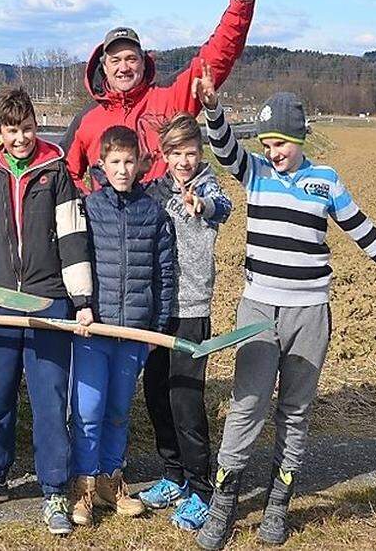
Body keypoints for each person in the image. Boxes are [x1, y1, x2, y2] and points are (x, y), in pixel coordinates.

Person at [193, 68, 376, 549]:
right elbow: (225, 146)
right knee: (246, 405)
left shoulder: (325, 181)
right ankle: (223, 507)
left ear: (299, 138)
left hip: (310, 313)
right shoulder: (255, 172)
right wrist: (212, 109)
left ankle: (277, 504)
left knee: (294, 410)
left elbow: (366, 234)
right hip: (258, 308)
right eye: (267, 143)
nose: (274, 152)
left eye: (282, 144)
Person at [0, 88, 93, 537]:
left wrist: (82, 301)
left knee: (49, 398)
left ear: (37, 124)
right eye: (12, 130)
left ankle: (54, 489)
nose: (20, 138)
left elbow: (72, 240)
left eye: (27, 128)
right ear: (0, 130)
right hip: (3, 300)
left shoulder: (55, 172)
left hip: (48, 297)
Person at [62, 0, 257, 189]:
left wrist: (241, 3)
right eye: (115, 61)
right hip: (107, 223)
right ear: (104, 67)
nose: (123, 67)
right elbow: (64, 171)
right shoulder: (87, 119)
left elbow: (216, 57)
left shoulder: (170, 97)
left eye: (131, 59)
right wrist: (89, 206)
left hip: (162, 220)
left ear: (144, 63)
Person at [68, 125, 175, 528]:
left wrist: (157, 328)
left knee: (117, 410)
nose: (123, 169)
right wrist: (82, 309)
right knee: (89, 410)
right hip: (94, 331)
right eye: (115, 161)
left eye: (130, 161)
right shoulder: (88, 209)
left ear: (141, 163)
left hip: (134, 333)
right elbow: (76, 262)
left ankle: (113, 479)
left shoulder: (153, 213)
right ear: (102, 164)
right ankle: (83, 487)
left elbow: (165, 273)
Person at [138, 112, 233, 530]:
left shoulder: (208, 186)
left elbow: (222, 208)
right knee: (156, 393)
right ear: (165, 154)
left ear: (200, 152)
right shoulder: (157, 191)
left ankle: (201, 489)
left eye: (191, 152)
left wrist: (201, 203)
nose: (184, 161)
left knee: (186, 401)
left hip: (192, 310)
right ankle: (172, 475)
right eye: (176, 153)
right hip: (159, 310)